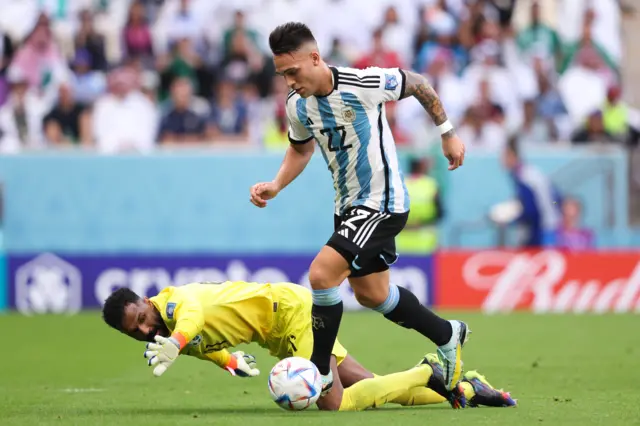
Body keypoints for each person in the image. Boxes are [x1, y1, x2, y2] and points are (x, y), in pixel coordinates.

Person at [249, 22, 468, 394]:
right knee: (372, 294)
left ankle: (318, 373)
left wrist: (447, 132)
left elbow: (417, 83)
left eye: (293, 71)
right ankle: (448, 334)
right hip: (348, 207)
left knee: (321, 275)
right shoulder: (297, 107)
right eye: (282, 74)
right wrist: (276, 184)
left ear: (315, 59)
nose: (288, 81)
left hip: (382, 202)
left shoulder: (362, 83)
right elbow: (300, 149)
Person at [101, 282, 517, 411]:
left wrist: (174, 340)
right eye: (134, 331)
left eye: (141, 317)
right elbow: (203, 346)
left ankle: (429, 369)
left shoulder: (174, 301)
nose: (143, 327)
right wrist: (230, 361)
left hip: (293, 315)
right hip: (279, 336)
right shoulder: (168, 338)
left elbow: (190, 321)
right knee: (371, 385)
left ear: (144, 301)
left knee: (332, 404)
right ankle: (463, 388)